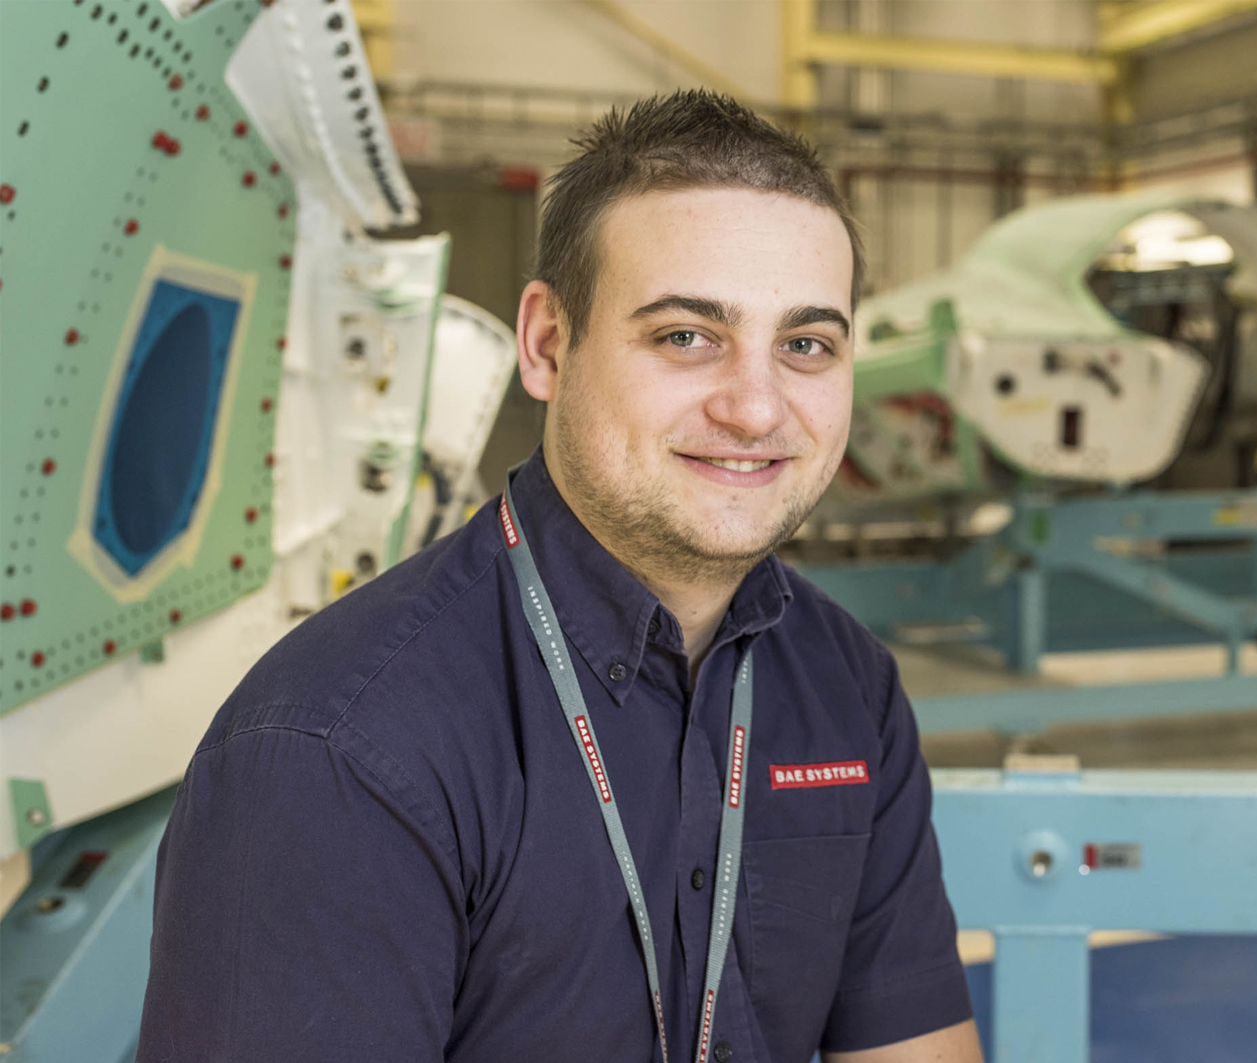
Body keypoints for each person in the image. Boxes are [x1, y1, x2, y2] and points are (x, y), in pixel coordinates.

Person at [138, 90, 982, 1063]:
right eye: (686, 335)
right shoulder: (337, 749)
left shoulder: (847, 684)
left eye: (805, 345)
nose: (756, 408)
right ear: (546, 343)